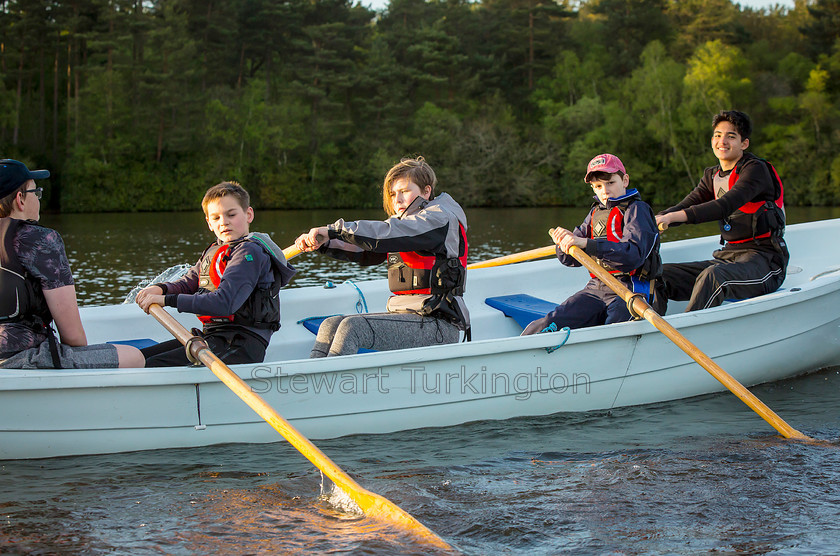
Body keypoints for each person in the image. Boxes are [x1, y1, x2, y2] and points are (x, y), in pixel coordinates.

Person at [294, 156, 469, 357]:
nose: (398, 200)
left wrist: (334, 230)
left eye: (404, 191)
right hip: (406, 315)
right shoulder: (402, 224)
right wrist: (325, 242)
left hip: (438, 324)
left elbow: (385, 233)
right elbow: (364, 251)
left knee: (353, 327)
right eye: (393, 194)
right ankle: (316, 382)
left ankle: (330, 385)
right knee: (330, 324)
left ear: (426, 191)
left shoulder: (438, 218)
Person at [0, 159, 144, 369]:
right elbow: (73, 337)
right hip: (18, 358)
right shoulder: (40, 241)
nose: (39, 199)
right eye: (36, 193)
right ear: (20, 199)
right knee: (135, 356)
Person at [136, 181, 296, 367]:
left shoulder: (249, 253)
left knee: (152, 365)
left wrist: (167, 300)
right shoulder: (215, 250)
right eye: (216, 218)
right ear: (209, 223)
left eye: (231, 214)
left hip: (241, 344)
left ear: (248, 214)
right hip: (214, 337)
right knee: (141, 358)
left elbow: (224, 303)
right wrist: (161, 289)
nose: (224, 222)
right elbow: (189, 282)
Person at [655, 110, 788, 312]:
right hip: (728, 256)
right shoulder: (712, 175)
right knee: (658, 275)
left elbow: (724, 205)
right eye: (718, 135)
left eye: (731, 136)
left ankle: (689, 333)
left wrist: (672, 217)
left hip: (765, 260)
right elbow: (686, 205)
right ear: (711, 140)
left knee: (714, 276)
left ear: (744, 144)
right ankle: (653, 335)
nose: (722, 141)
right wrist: (653, 220)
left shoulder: (755, 170)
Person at [521, 153, 662, 335]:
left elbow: (632, 256)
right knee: (546, 324)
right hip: (597, 287)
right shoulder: (596, 212)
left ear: (625, 180)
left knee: (613, 332)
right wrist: (563, 244)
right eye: (598, 186)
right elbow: (571, 261)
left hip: (631, 289)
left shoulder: (637, 210)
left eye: (610, 183)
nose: (605, 190)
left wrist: (587, 244)